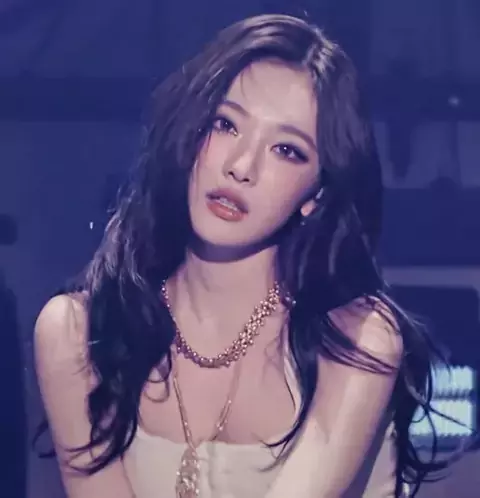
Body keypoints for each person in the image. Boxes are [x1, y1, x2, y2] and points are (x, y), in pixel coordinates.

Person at [34, 14, 448, 498]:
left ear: (316, 193)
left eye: (286, 150)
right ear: (190, 133)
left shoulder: (356, 339)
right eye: (225, 124)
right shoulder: (77, 334)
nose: (241, 166)